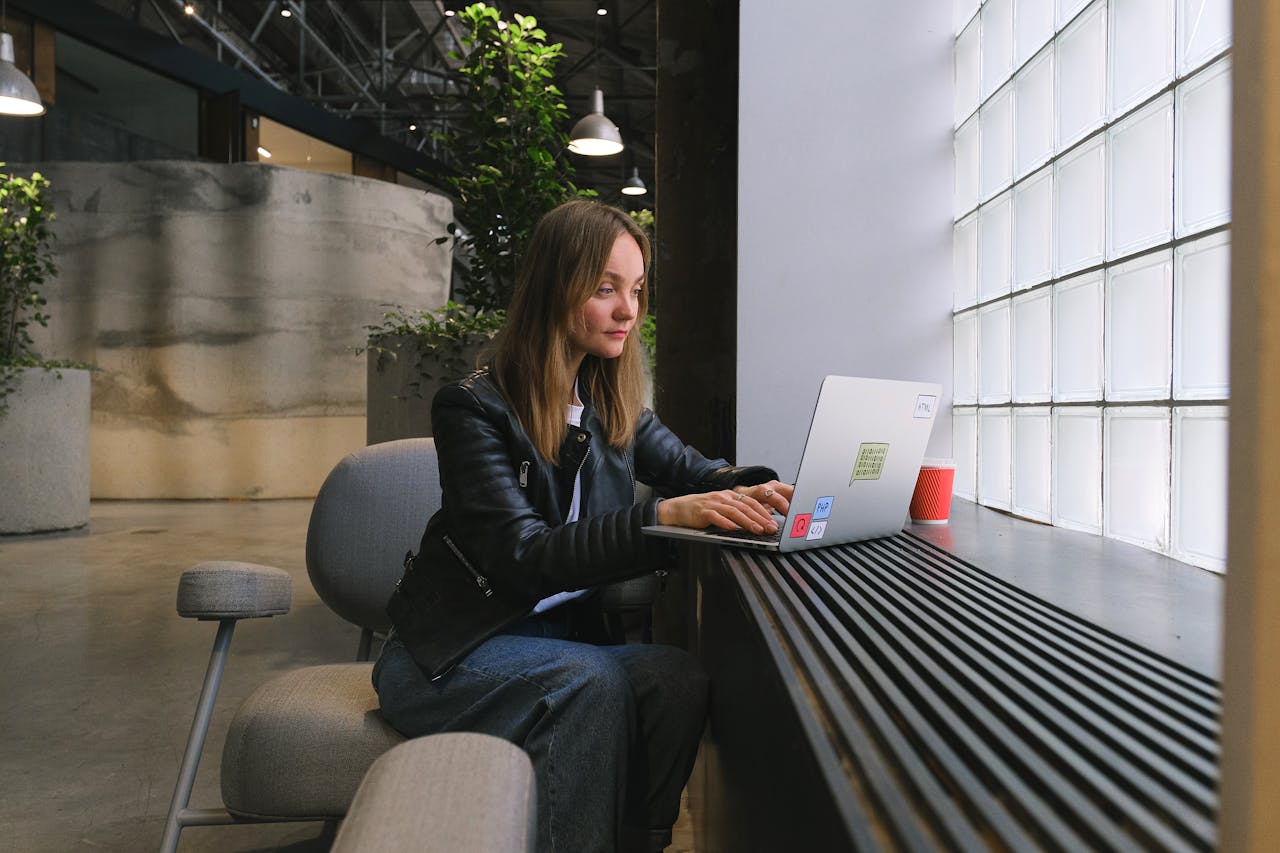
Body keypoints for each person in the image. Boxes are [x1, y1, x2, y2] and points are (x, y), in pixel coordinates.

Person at [373, 199, 794, 853]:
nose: (628, 310)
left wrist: (758, 488)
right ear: (554, 286)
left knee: (677, 679)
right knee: (590, 683)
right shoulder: (472, 408)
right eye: (606, 289)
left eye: (635, 290)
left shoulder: (609, 402)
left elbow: (694, 472)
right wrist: (656, 518)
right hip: (449, 657)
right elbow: (522, 554)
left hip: (556, 647)